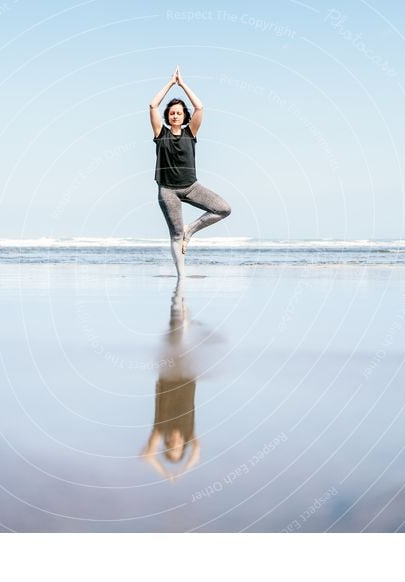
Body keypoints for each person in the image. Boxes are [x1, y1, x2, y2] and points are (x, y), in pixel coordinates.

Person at [149, 66, 231, 278]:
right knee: (175, 234)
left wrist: (182, 84)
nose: (175, 115)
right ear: (167, 116)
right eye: (172, 113)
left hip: (191, 187)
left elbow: (200, 107)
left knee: (223, 209)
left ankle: (191, 230)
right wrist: (169, 83)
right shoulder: (160, 133)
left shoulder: (191, 131)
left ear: (184, 115)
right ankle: (181, 278)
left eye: (179, 112)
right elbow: (152, 105)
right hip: (168, 191)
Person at [141, 279, 200, 480]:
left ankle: (179, 297)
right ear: (183, 444)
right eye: (178, 448)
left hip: (167, 376)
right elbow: (198, 453)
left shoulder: (161, 428)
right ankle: (181, 297)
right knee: (183, 333)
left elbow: (148, 454)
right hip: (188, 377)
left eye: (171, 447)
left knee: (175, 332)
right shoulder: (189, 431)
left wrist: (167, 473)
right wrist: (184, 469)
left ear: (166, 445)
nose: (175, 443)